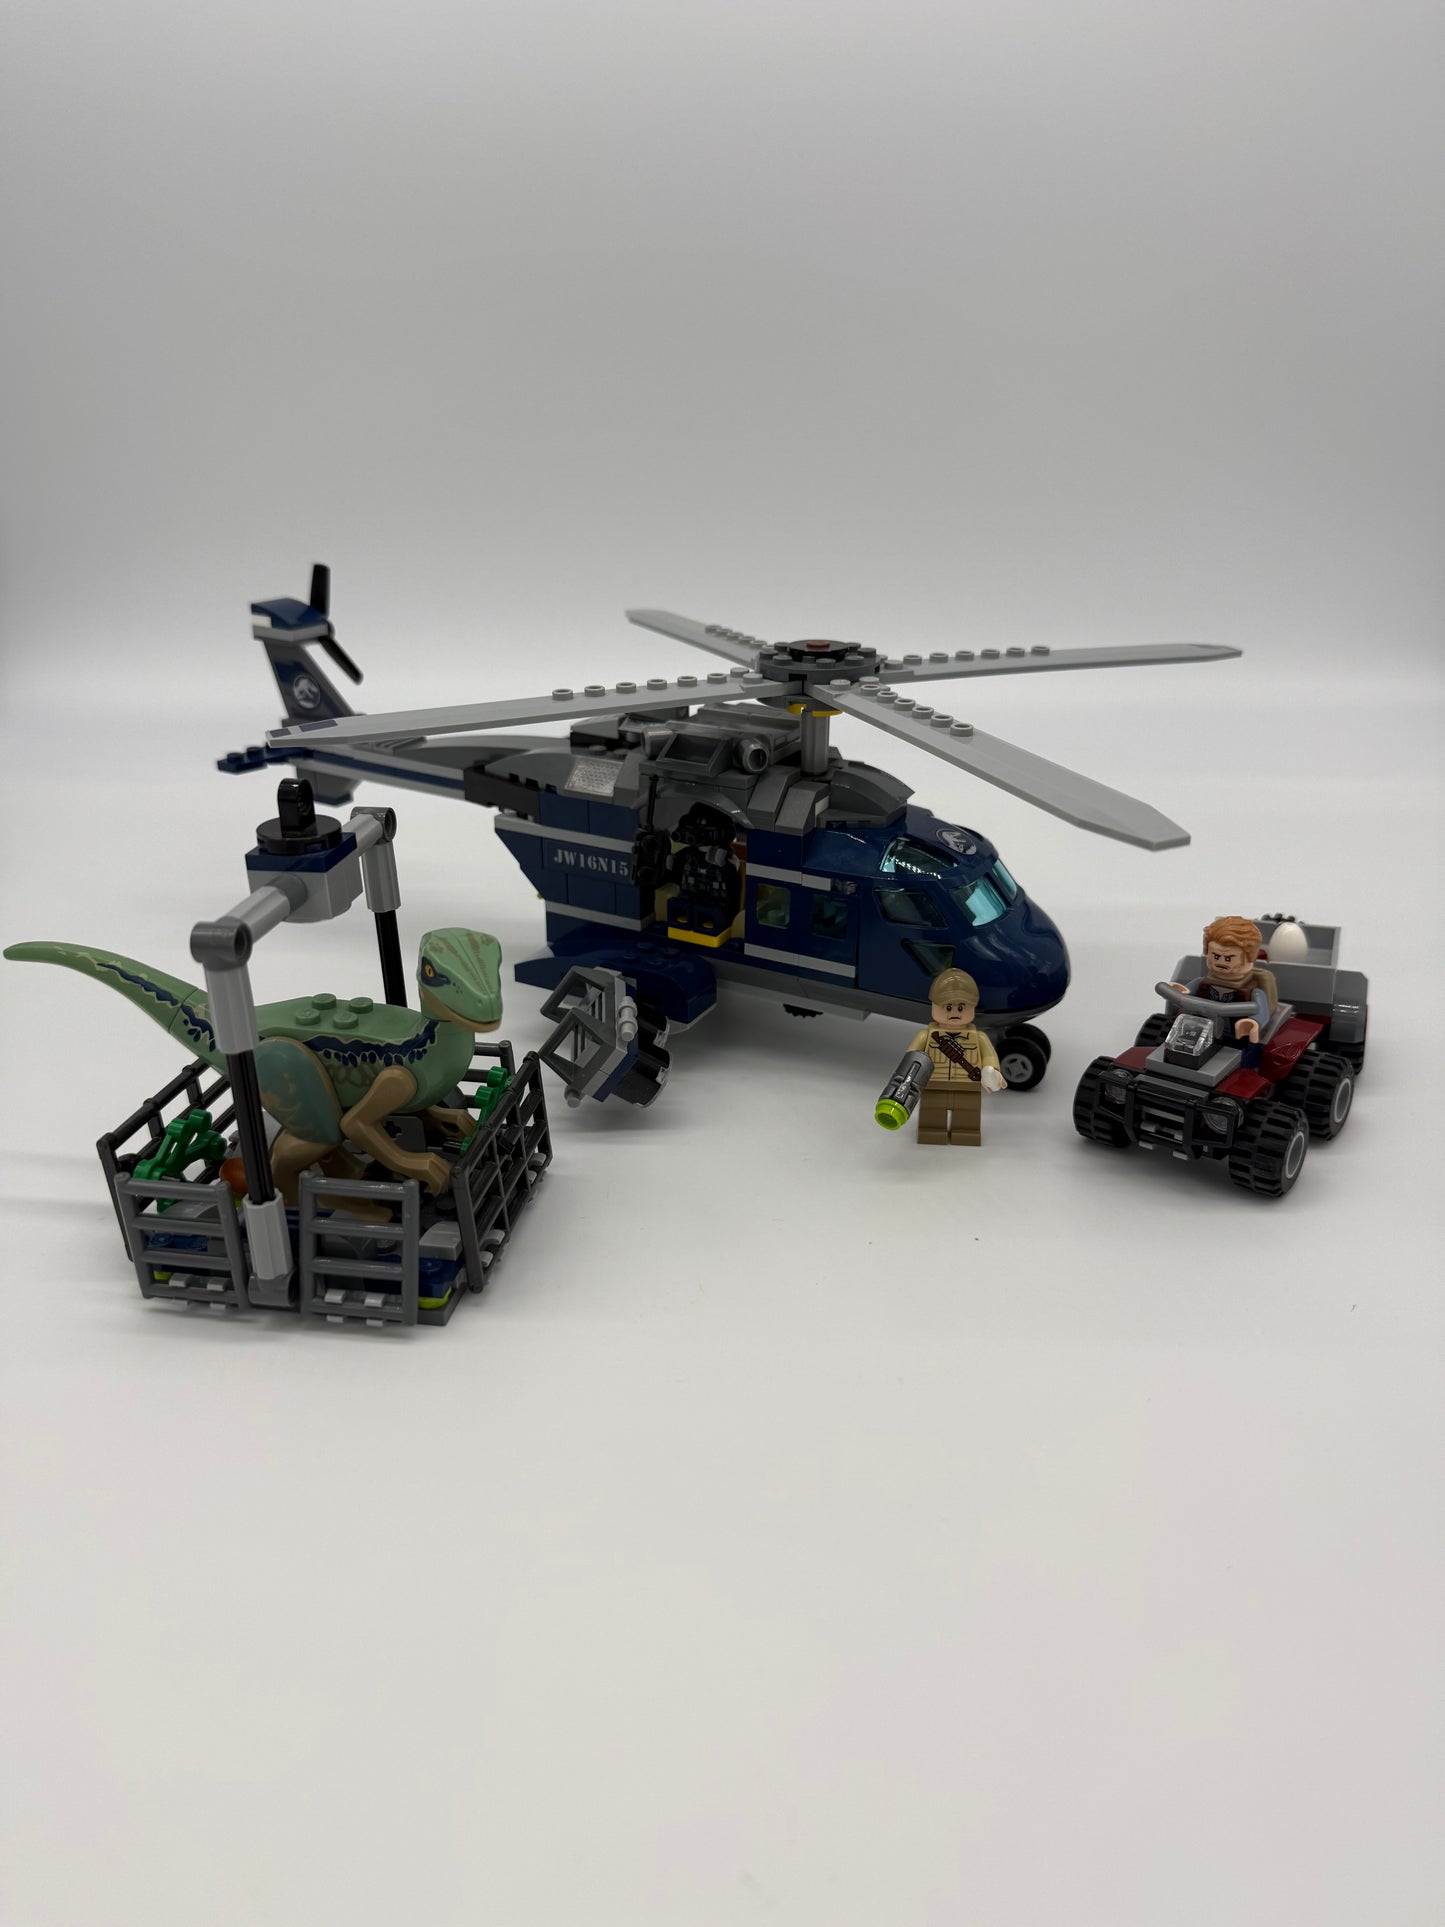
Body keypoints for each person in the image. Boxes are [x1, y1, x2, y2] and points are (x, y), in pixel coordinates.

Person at [904, 967, 1007, 1146]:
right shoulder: (924, 1037)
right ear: (934, 1005)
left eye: (961, 1007)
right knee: (932, 1116)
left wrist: (991, 1072)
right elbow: (911, 1060)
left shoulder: (979, 1038)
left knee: (967, 1117)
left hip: (967, 1087)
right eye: (948, 1007)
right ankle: (931, 1132)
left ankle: (966, 1132)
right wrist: (906, 1081)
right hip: (933, 1085)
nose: (954, 1013)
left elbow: (989, 1057)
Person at [1169, 915, 1275, 1065]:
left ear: (1249, 959)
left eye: (1228, 959)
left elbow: (1262, 1011)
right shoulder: (1201, 983)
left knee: (1250, 1057)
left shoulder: (1254, 992)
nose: (1221, 963)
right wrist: (1180, 993)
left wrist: (1253, 1022)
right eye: (1216, 956)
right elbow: (1186, 992)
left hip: (1236, 1038)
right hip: (1199, 1032)